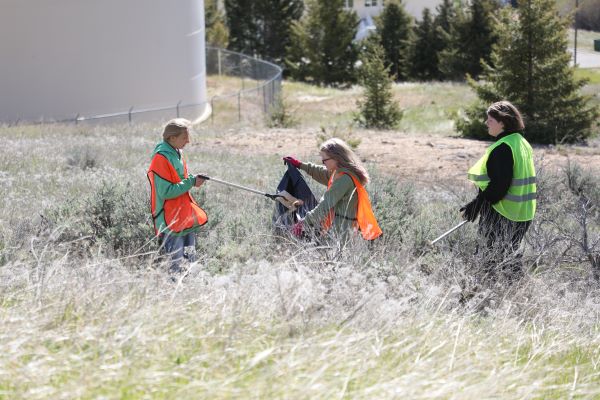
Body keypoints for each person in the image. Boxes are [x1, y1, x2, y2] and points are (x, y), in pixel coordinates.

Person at [460, 101, 536, 281]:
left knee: (488, 261)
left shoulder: (503, 147)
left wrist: (477, 205)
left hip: (503, 212)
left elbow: (499, 186)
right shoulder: (521, 142)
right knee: (509, 258)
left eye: (490, 120)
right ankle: (519, 297)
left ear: (503, 122)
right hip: (523, 214)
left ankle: (482, 296)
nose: (486, 123)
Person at [283, 137, 382, 243]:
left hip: (341, 234)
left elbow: (325, 205)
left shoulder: (344, 179)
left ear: (336, 158)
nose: (323, 163)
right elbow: (322, 172)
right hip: (340, 229)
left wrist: (303, 223)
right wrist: (299, 164)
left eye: (324, 160)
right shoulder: (340, 172)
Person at [147, 118, 208, 273]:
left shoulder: (177, 153)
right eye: (184, 137)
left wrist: (193, 180)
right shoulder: (160, 158)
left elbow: (180, 182)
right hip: (170, 220)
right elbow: (166, 192)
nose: (188, 141)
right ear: (171, 138)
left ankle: (190, 290)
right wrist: (191, 182)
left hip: (183, 217)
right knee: (176, 266)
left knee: (190, 261)